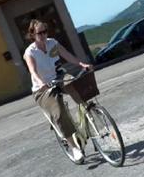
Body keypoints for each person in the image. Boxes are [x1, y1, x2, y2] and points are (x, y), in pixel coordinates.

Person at [23, 19, 93, 162]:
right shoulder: (30, 52)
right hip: (42, 88)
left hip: (58, 77)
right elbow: (33, 71)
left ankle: (88, 111)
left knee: (74, 84)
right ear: (32, 34)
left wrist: (81, 64)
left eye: (45, 31)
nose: (43, 35)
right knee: (59, 111)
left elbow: (67, 56)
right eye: (39, 33)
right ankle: (74, 147)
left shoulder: (52, 44)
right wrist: (41, 82)